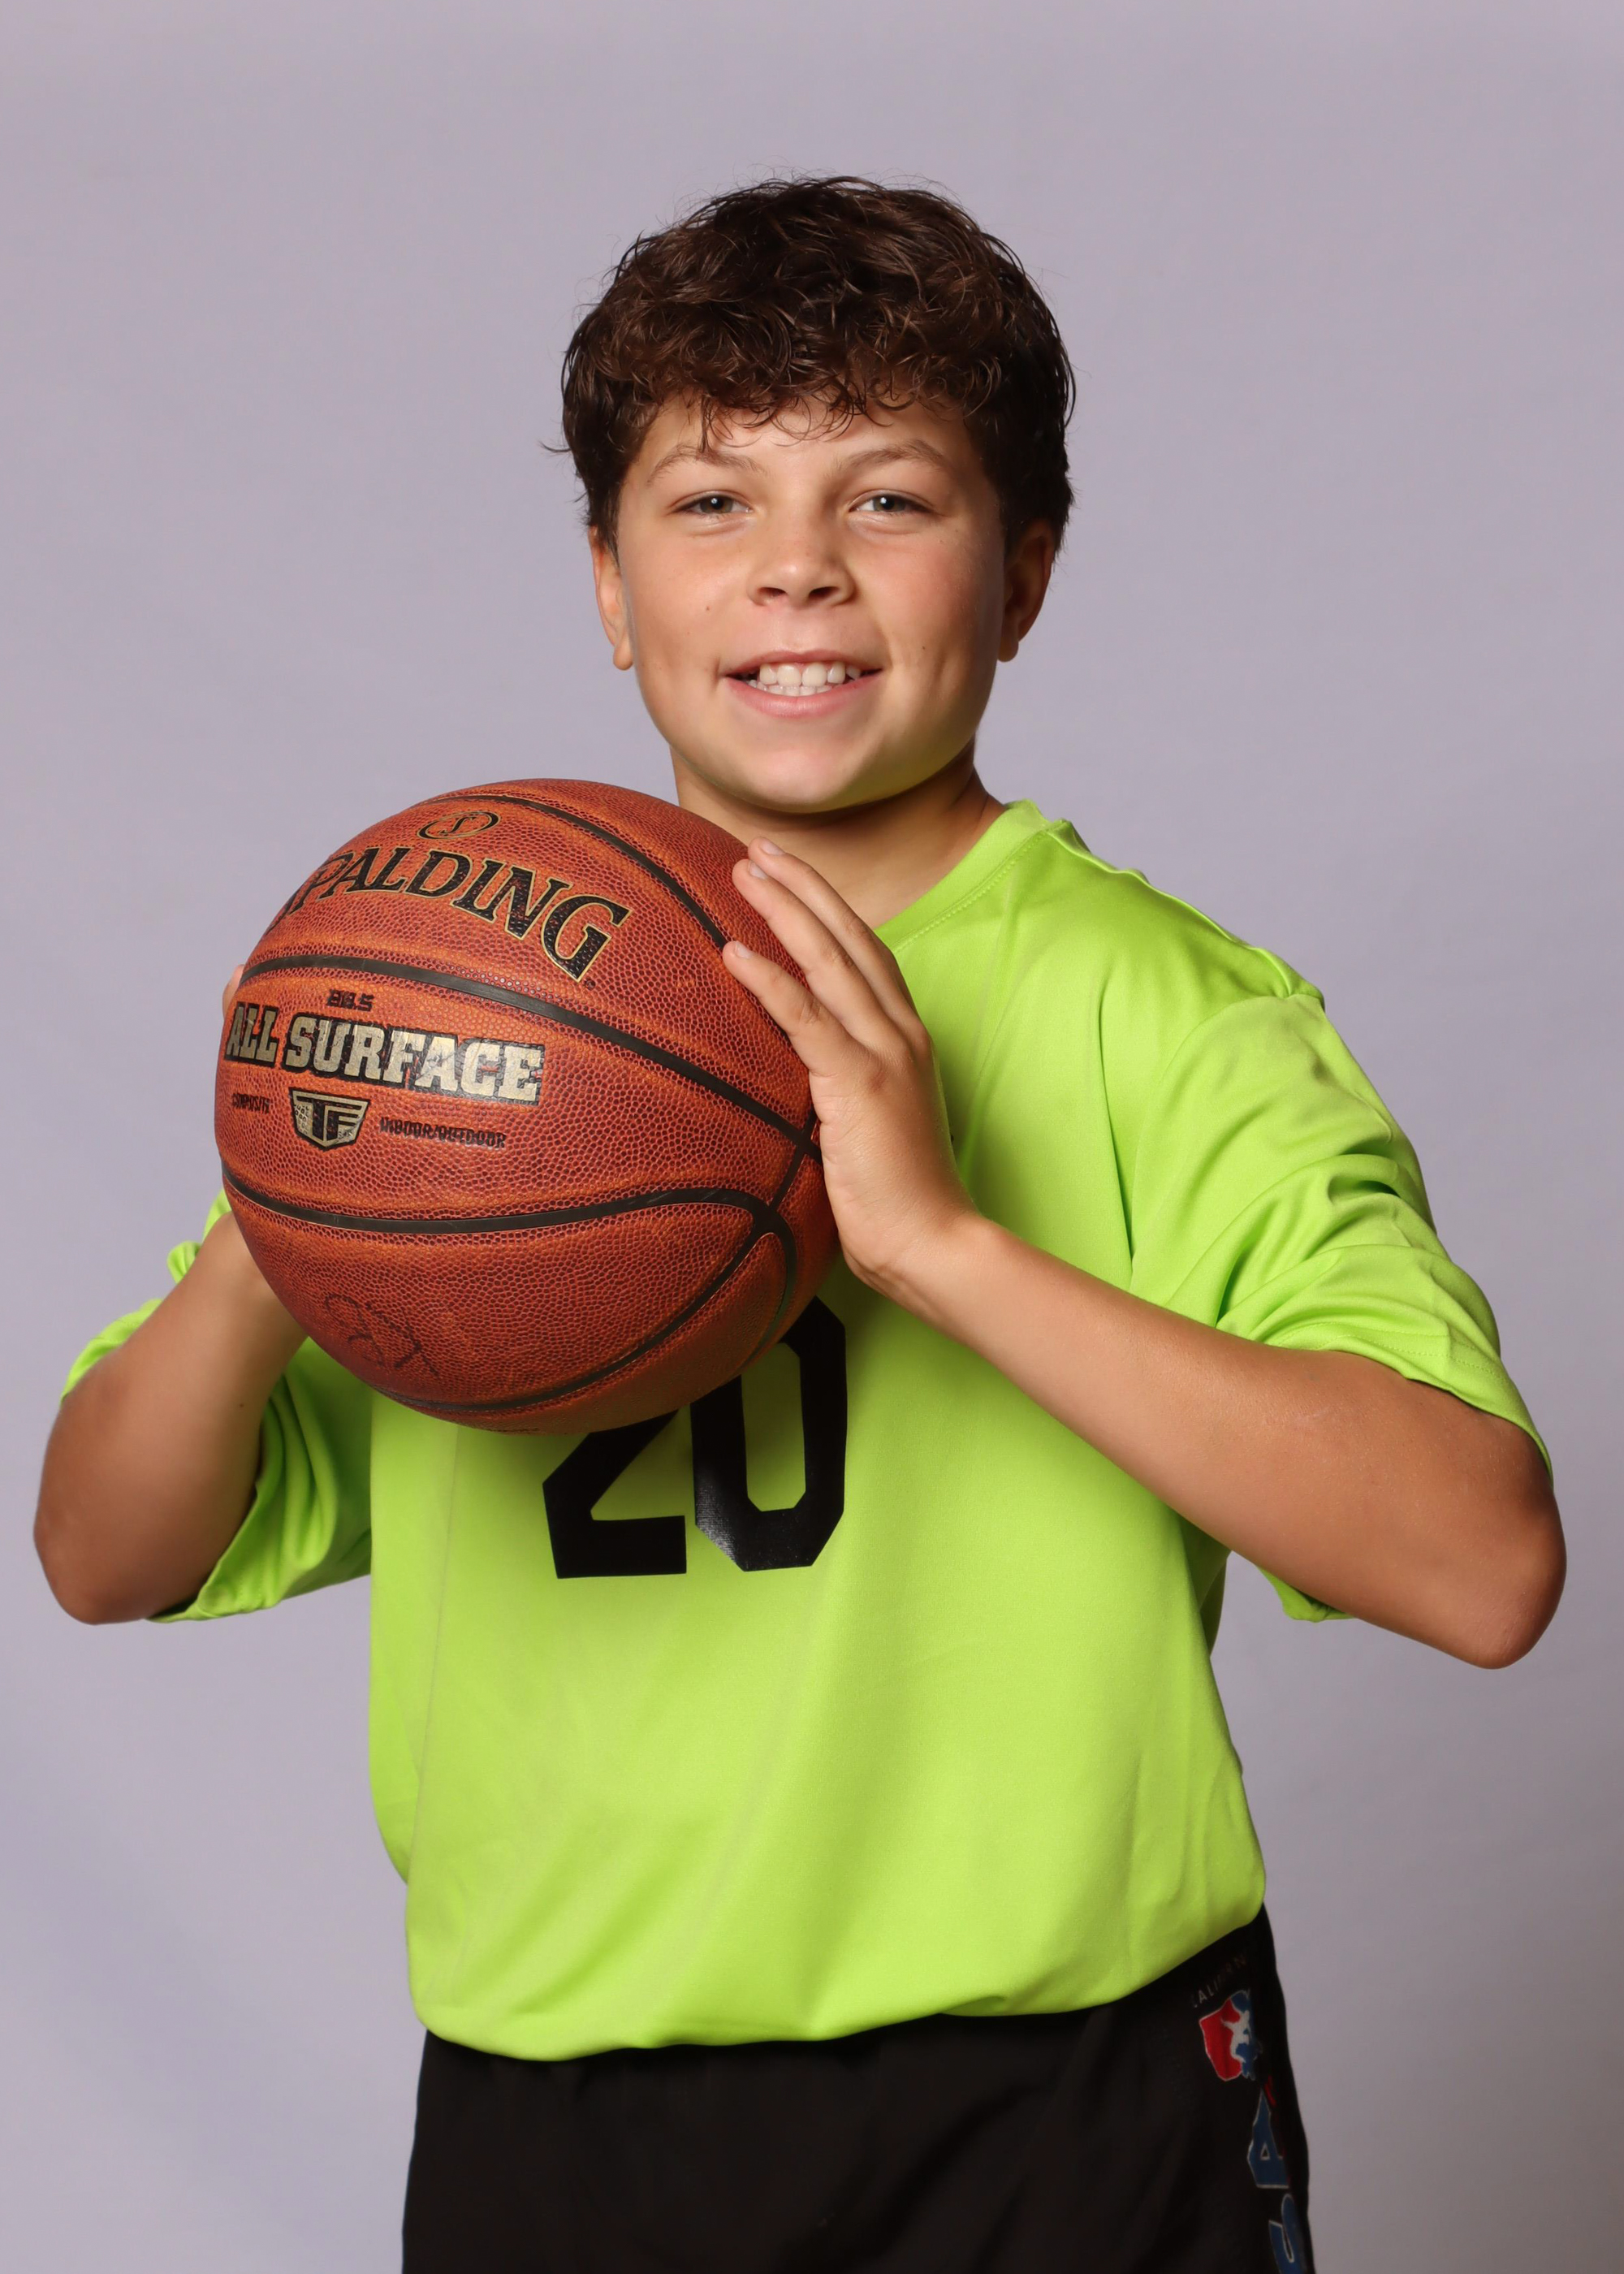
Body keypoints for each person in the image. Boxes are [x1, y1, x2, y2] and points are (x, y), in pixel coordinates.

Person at [35, 177, 1563, 2272]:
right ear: (608, 585)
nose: (797, 569)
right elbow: (101, 1554)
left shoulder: (1168, 1014)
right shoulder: (476, 992)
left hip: (1068, 2101)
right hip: (557, 2112)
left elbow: (1482, 1567)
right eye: (711, 502)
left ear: (1025, 576)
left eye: (891, 499)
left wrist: (940, 1243)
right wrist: (289, 1187)